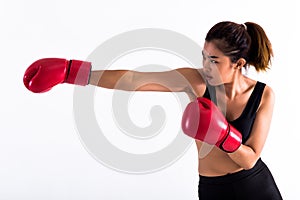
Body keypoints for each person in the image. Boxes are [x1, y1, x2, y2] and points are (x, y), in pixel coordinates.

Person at [23, 21, 283, 199]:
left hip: (256, 188)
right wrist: (72, 72)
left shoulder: (263, 95)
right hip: (213, 189)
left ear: (238, 64)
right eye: (203, 56)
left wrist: (222, 134)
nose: (205, 66)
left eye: (213, 60)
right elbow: (134, 80)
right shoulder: (197, 82)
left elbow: (250, 158)